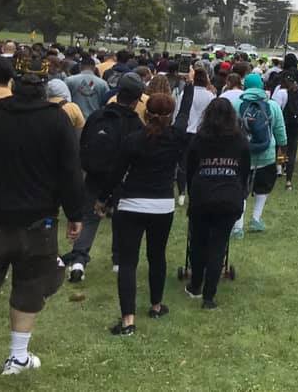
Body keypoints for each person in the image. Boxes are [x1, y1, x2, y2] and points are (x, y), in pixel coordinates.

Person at [0, 68, 84, 375]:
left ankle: (20, 358)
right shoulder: (56, 120)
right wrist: (75, 213)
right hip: (38, 220)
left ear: (13, 87)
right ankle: (18, 356)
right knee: (30, 285)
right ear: (44, 91)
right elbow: (70, 172)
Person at [102, 90, 193, 335]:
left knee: (128, 262)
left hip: (132, 203)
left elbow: (116, 172)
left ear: (145, 113)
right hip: (162, 205)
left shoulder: (133, 139)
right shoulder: (177, 137)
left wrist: (102, 198)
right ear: (170, 115)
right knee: (157, 255)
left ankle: (128, 320)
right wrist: (190, 84)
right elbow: (185, 113)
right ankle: (156, 305)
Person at [64, 73, 146, 282]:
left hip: (94, 175)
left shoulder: (98, 115)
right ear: (136, 100)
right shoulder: (135, 123)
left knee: (89, 217)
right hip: (122, 179)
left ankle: (78, 260)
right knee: (121, 218)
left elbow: (83, 142)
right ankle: (118, 260)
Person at [184, 98, 251, 309]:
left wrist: (191, 192)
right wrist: (240, 191)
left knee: (198, 242)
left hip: (202, 195)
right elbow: (245, 171)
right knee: (218, 245)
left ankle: (196, 285)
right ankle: (209, 296)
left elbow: (190, 168)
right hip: (229, 197)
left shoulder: (199, 140)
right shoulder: (240, 141)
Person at [232, 73, 287, 237]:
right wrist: (283, 148)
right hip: (266, 154)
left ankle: (238, 227)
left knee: (240, 189)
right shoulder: (272, 105)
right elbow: (279, 130)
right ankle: (256, 218)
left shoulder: (236, 104)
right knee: (263, 187)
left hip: (241, 154)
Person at [175, 65, 216, 207]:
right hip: (201, 133)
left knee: (183, 164)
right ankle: (194, 192)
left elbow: (179, 111)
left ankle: (181, 192)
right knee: (199, 165)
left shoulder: (184, 94)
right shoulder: (210, 96)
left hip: (186, 131)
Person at [272, 71, 298, 191]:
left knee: (278, 148)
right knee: (292, 152)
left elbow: (276, 108)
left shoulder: (280, 92)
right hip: (295, 126)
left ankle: (278, 167)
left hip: (282, 124)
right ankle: (289, 181)